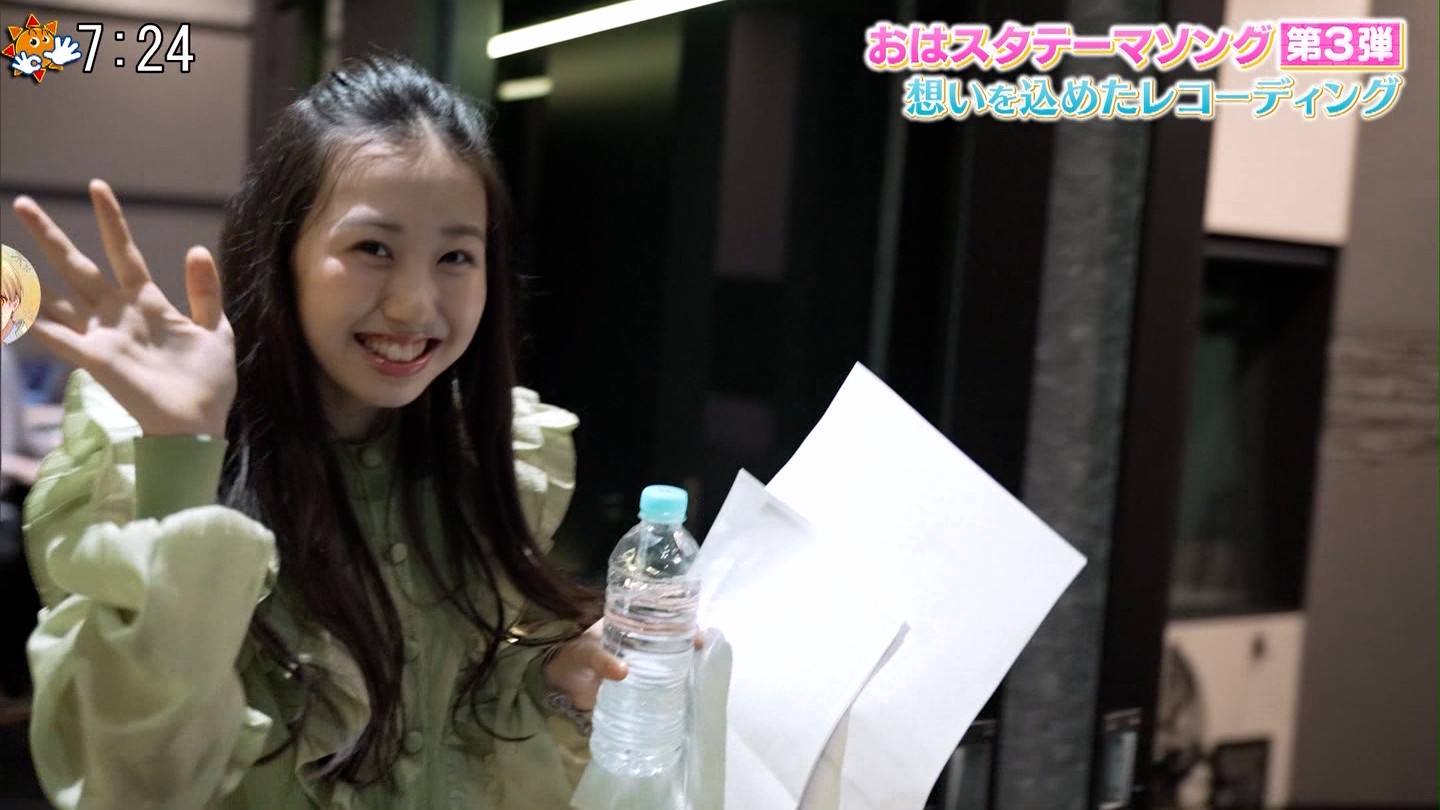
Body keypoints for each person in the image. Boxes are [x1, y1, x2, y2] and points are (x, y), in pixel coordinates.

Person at [12, 55, 637, 808]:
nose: (414, 304)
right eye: (373, 249)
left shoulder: (484, 449)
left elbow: (448, 717)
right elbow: (137, 782)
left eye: (455, 256)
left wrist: (550, 672)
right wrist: (183, 453)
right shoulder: (136, 452)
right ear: (281, 255)